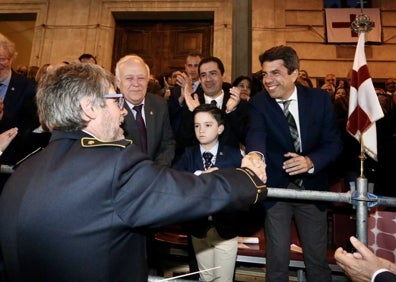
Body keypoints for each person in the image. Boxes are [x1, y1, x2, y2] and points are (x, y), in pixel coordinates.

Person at [0, 63, 267, 282]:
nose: (122, 110)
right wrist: (248, 179)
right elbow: (194, 192)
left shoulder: (23, 170)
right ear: (89, 108)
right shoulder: (114, 165)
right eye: (115, 99)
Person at [246, 45, 343, 282]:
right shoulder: (260, 103)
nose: (267, 80)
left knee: (317, 262)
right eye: (264, 74)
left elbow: (334, 144)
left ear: (294, 74)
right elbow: (256, 134)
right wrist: (255, 156)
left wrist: (311, 161)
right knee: (277, 262)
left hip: (312, 189)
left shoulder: (319, 100)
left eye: (275, 73)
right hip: (277, 190)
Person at [173, 104, 245, 281]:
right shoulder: (188, 155)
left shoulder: (235, 156)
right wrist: (199, 175)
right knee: (205, 277)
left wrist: (220, 176)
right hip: (199, 228)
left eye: (207, 125)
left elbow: (243, 188)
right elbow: (175, 179)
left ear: (220, 128)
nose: (201, 130)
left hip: (226, 229)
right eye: (197, 125)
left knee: (223, 279)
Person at [176, 56, 248, 158]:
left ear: (223, 75)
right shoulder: (191, 102)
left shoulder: (238, 103)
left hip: (230, 167)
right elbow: (182, 142)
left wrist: (231, 112)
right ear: (200, 79)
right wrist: (194, 112)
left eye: (213, 74)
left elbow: (245, 138)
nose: (208, 79)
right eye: (203, 75)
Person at [115, 54, 175, 167]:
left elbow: (167, 143)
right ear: (118, 82)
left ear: (148, 81)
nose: (136, 84)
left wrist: (157, 171)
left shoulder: (159, 104)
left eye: (141, 78)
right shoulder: (111, 110)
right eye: (129, 78)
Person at [0, 33, 42, 192]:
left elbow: (31, 128)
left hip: (11, 171)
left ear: (11, 59)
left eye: (2, 59)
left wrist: (3, 117)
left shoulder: (28, 87)